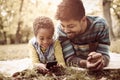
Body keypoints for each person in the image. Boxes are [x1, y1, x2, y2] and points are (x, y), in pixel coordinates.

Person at [55, 0, 110, 71]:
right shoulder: (60, 30)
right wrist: (85, 63)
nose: (66, 30)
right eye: (63, 26)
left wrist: (100, 60)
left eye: (71, 26)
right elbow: (69, 58)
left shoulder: (100, 26)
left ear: (83, 20)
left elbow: (105, 55)